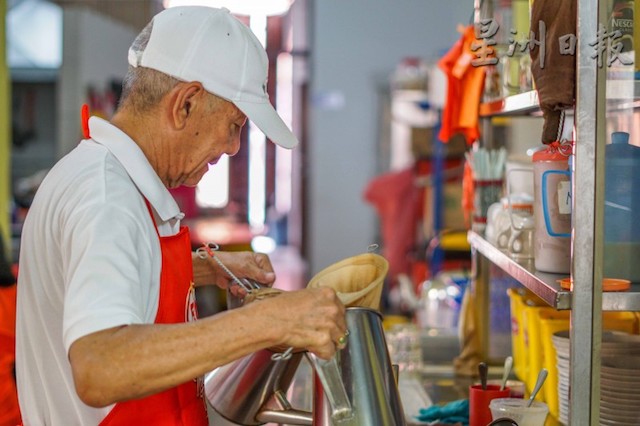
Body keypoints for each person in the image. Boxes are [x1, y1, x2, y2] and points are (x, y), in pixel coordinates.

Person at [15, 6, 347, 425]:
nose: (232, 148)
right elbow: (99, 366)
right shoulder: (106, 197)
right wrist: (267, 322)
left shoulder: (103, 177)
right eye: (234, 125)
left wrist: (204, 270)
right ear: (185, 104)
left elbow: (101, 273)